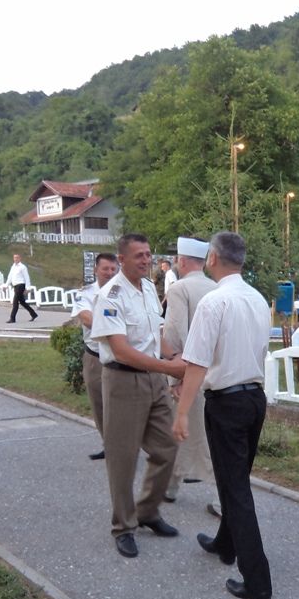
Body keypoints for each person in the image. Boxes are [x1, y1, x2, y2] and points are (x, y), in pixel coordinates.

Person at [172, 231, 273, 599]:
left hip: (227, 401)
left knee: (235, 488)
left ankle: (257, 581)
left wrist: (182, 412)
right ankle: (225, 543)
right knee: (236, 479)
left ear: (212, 258)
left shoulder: (214, 301)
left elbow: (196, 363)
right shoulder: (257, 299)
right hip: (254, 398)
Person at [89, 233, 186, 558]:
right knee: (123, 458)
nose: (146, 260)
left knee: (167, 446)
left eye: (148, 254)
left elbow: (155, 334)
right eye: (139, 255)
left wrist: (173, 358)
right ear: (122, 260)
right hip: (123, 381)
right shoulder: (110, 296)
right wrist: (168, 367)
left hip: (154, 380)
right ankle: (123, 526)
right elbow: (121, 351)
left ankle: (147, 511)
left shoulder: (147, 288)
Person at [162, 237, 218, 509]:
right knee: (205, 433)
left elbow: (174, 332)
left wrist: (176, 377)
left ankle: (175, 487)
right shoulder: (217, 288)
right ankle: (173, 485)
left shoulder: (179, 289)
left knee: (186, 431)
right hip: (216, 372)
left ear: (181, 261)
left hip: (190, 370)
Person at [72, 251, 119, 460]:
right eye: (105, 269)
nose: (110, 272)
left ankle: (124, 445)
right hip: (95, 357)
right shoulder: (86, 293)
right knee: (99, 403)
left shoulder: (122, 292)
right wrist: (115, 327)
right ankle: (109, 445)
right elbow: (86, 318)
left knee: (120, 404)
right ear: (96, 270)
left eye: (113, 269)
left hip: (119, 356)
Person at [6, 253, 38, 323]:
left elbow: (27, 277)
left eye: (17, 257)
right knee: (22, 302)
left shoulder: (22, 267)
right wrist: (6, 285)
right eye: (14, 258)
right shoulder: (13, 267)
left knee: (15, 302)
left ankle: (12, 318)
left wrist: (28, 288)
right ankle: (33, 314)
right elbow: (10, 277)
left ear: (20, 258)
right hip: (15, 286)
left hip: (21, 285)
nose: (15, 259)